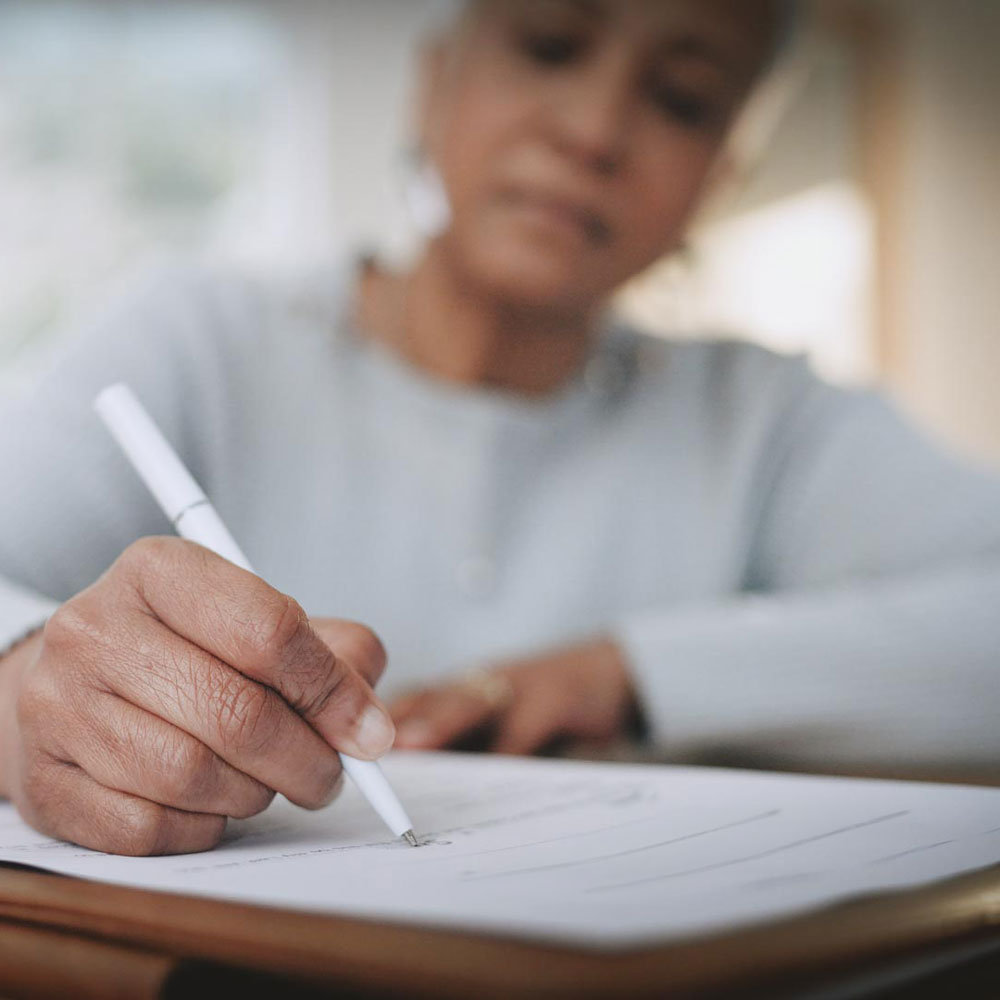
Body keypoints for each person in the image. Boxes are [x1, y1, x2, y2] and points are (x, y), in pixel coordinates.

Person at [0, 0, 998, 857]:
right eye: (551, 43)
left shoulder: (765, 419)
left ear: (720, 176)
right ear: (434, 80)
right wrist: (23, 690)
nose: (596, 131)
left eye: (682, 100)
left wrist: (625, 673)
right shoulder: (196, 340)